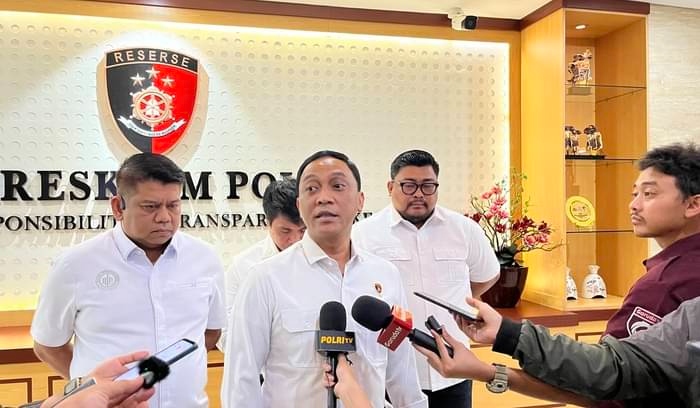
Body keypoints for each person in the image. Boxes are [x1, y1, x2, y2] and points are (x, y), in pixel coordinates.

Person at [426, 141, 700, 406]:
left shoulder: (665, 286)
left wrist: (499, 351)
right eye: (634, 194)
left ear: (692, 205)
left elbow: (609, 380)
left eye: (649, 194)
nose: (634, 205)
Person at [222, 150, 427, 407]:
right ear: (300, 205)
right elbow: (241, 381)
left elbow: (402, 371)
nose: (324, 198)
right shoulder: (264, 279)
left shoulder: (386, 275)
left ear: (360, 200)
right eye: (312, 188)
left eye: (337, 186)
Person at [31, 153, 226, 408]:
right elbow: (48, 346)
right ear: (118, 207)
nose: (164, 217)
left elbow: (210, 333)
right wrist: (97, 391)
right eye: (150, 207)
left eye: (173, 205)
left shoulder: (205, 258)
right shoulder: (75, 265)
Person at [353, 149, 499, 407]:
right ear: (390, 187)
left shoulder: (464, 229)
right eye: (409, 185)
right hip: (393, 369)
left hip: (455, 366)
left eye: (428, 185)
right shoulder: (363, 234)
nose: (419, 193)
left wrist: (457, 302)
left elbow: (487, 275)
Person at [415, 296, 700, 407]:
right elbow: (613, 370)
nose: (634, 205)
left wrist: (491, 369)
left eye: (649, 193)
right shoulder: (692, 316)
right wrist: (506, 336)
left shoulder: (674, 287)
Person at [218, 178, 305, 350]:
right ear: (268, 223)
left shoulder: (326, 261)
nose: (295, 240)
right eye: (285, 231)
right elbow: (225, 336)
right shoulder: (243, 267)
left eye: (303, 230)